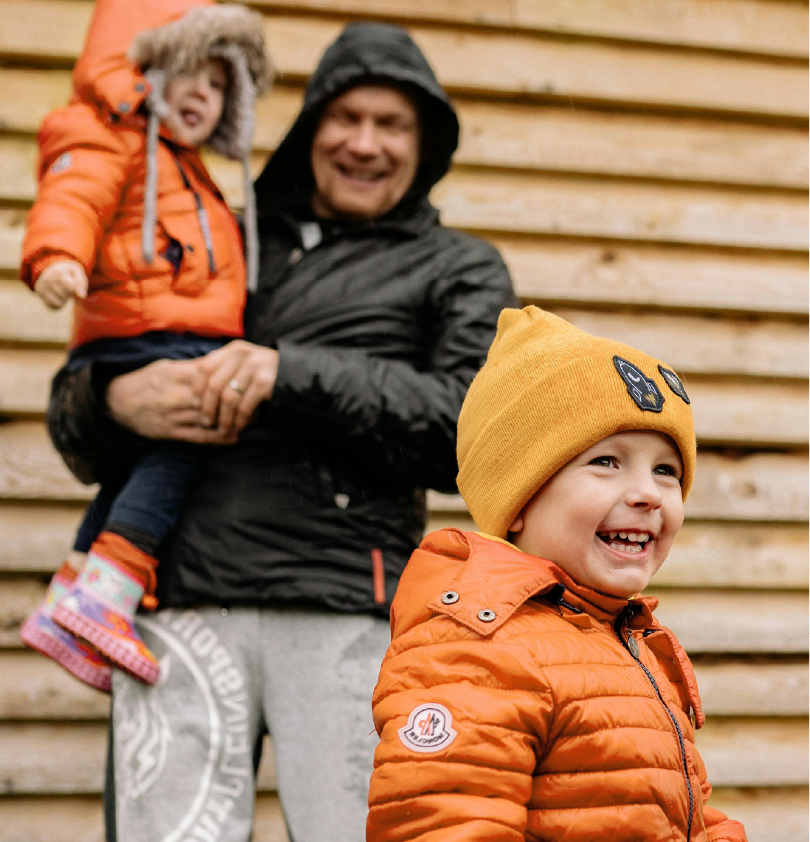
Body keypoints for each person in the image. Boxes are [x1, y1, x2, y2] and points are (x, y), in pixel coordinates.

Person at [46, 20, 518, 842]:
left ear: (426, 143)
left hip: (349, 608)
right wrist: (116, 400)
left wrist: (287, 372)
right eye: (346, 117)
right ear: (310, 128)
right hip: (178, 603)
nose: (364, 143)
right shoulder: (215, 231)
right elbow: (78, 424)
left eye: (392, 124)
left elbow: (465, 435)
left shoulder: (459, 268)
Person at [367, 307, 748, 841]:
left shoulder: (628, 641)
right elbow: (444, 825)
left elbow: (683, 815)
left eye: (666, 470)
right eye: (606, 462)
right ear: (519, 499)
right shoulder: (475, 651)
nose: (647, 493)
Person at [19, 0, 270, 689]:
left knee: (134, 471)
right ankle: (110, 592)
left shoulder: (187, 164)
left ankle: (71, 590)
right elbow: (73, 194)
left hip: (164, 332)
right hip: (145, 337)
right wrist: (57, 258)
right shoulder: (114, 136)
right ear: (139, 70)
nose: (201, 94)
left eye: (219, 83)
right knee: (183, 447)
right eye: (187, 71)